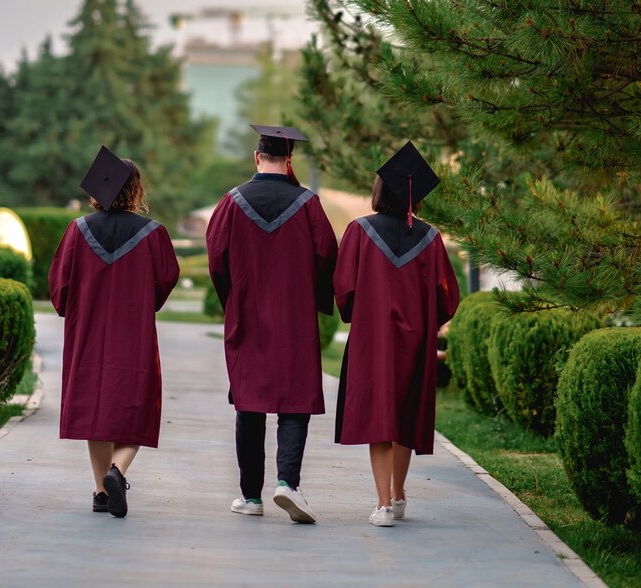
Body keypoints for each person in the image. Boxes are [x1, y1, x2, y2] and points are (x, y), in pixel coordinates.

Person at [206, 124, 338, 524]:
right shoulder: (308, 204)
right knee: (293, 402)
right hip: (294, 317)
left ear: (256, 158)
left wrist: (233, 299)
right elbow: (327, 256)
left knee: (250, 403)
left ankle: (250, 497)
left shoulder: (231, 202)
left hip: (248, 315)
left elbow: (216, 259)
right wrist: (311, 297)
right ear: (290, 160)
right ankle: (288, 484)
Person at [332, 142, 460, 527]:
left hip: (374, 340)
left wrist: (358, 315)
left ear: (379, 190)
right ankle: (400, 495)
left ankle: (384, 503)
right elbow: (448, 297)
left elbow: (344, 287)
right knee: (404, 414)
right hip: (415, 341)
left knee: (379, 418)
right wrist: (427, 322)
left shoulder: (358, 231)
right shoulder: (431, 238)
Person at [49, 146, 179, 518]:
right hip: (133, 336)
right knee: (135, 409)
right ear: (136, 191)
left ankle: (99, 492)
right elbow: (164, 282)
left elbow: (60, 290)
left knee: (96, 411)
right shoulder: (154, 233)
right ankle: (117, 472)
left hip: (88, 336)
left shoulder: (77, 230)